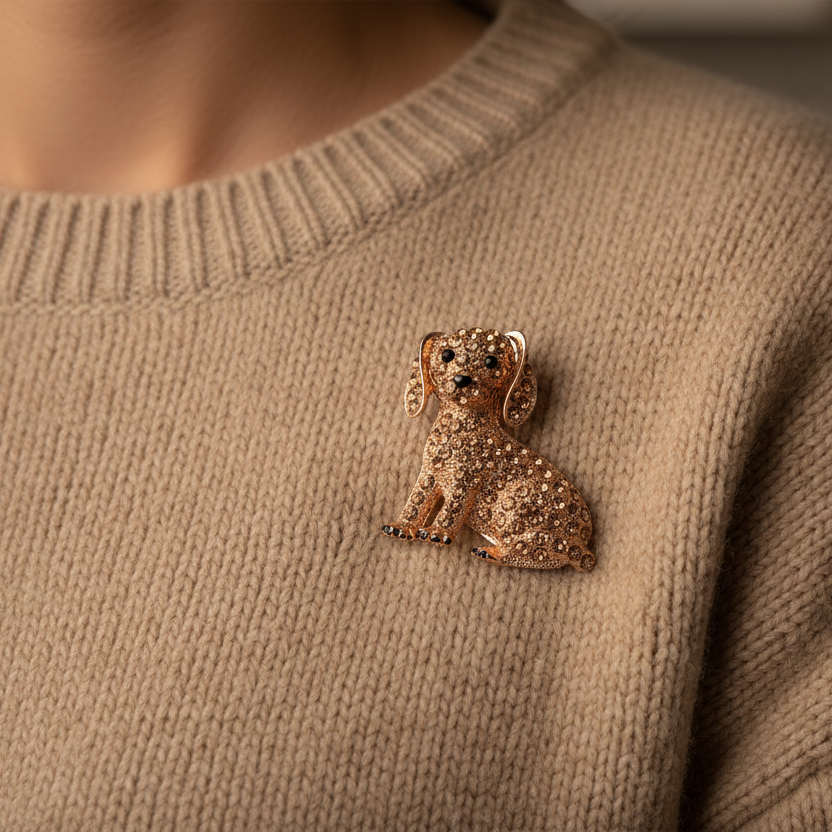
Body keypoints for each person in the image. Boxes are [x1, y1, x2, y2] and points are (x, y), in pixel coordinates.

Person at [0, 1, 829, 830]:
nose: (466, 380)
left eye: (480, 369)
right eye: (453, 368)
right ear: (433, 370)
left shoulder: (779, 259)